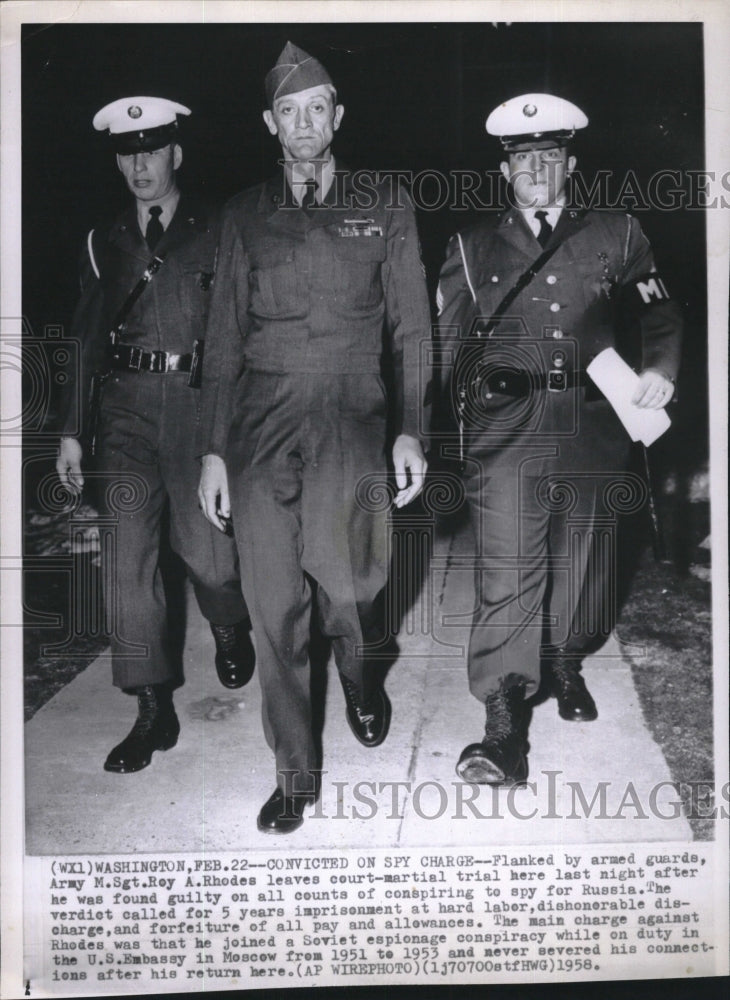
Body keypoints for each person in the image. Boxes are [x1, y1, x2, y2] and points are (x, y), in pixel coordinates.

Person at [197, 43, 431, 832]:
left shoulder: (386, 203)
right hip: (261, 423)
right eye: (288, 112)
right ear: (271, 123)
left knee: (354, 586)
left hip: (351, 416)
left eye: (317, 108)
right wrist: (212, 451)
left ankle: (364, 674)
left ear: (338, 117)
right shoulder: (242, 215)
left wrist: (412, 431)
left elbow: (414, 331)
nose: (304, 124)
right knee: (273, 604)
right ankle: (295, 772)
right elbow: (222, 341)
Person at [436, 93, 682, 786]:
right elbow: (447, 343)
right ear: (505, 169)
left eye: (549, 156)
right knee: (508, 573)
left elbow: (658, 306)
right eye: (523, 159)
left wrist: (660, 370)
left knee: (585, 565)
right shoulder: (469, 243)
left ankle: (567, 661)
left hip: (594, 423)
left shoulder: (617, 232)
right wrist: (456, 428)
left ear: (570, 162)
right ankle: (503, 726)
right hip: (506, 432)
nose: (536, 170)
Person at [55, 96, 256, 775]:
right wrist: (73, 434)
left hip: (200, 409)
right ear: (119, 161)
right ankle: (151, 708)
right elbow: (83, 343)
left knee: (210, 556)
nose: (140, 166)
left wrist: (229, 434)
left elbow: (238, 333)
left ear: (177, 153)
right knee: (127, 565)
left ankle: (229, 623)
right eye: (128, 154)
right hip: (125, 416)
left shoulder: (221, 228)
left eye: (152, 151)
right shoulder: (99, 240)